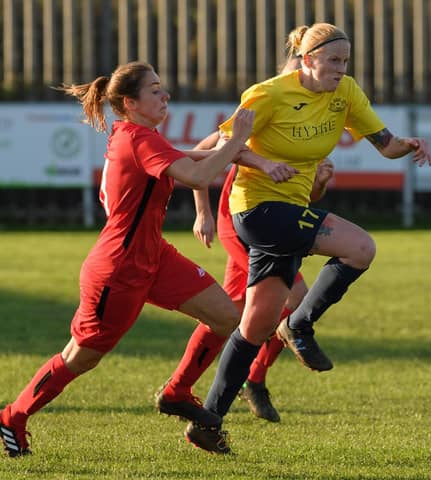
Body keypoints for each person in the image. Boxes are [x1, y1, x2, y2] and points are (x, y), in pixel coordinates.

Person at [183, 23, 431, 454]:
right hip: (255, 210)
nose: (340, 69)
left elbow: (385, 144)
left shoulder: (346, 93)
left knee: (256, 325)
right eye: (333, 60)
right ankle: (299, 324)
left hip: (291, 212)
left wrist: (408, 144)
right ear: (308, 59)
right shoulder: (268, 93)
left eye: (345, 61)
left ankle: (208, 420)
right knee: (361, 247)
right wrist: (263, 165)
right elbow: (224, 146)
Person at [0, 61, 255, 457]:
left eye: (162, 87)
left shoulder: (141, 136)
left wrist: (252, 157)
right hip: (118, 271)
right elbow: (197, 176)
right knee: (79, 358)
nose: (165, 95)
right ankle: (13, 416)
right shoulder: (139, 139)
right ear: (130, 103)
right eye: (155, 90)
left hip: (154, 256)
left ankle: (177, 392)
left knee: (224, 314)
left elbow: (194, 158)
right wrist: (238, 139)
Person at [154, 57, 333, 426]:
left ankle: (186, 385)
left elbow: (308, 198)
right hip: (239, 220)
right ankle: (251, 377)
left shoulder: (309, 126)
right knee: (292, 298)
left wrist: (320, 183)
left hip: (276, 221)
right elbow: (200, 153)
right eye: (291, 79)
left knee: (232, 312)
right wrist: (201, 212)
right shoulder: (262, 105)